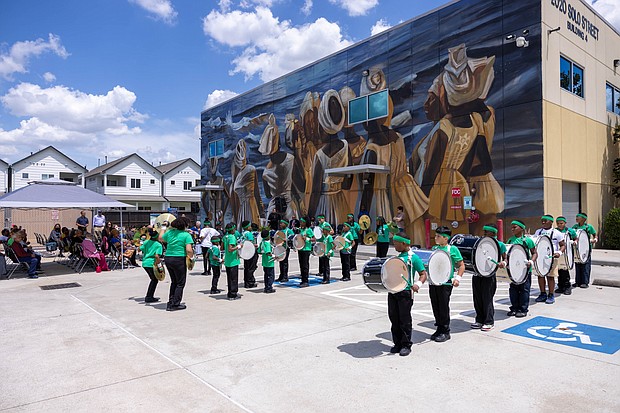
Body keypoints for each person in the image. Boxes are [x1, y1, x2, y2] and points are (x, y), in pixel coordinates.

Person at [389, 232, 428, 356]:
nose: (394, 245)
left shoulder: (413, 257)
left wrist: (418, 284)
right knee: (394, 318)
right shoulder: (397, 258)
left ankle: (406, 344)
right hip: (394, 291)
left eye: (396, 243)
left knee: (404, 320)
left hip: (405, 292)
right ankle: (397, 343)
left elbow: (423, 274)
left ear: (404, 243)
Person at [429, 227, 465, 342]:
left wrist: (457, 278)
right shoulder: (434, 248)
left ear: (446, 238)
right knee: (435, 305)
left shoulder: (452, 249)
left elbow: (461, 265)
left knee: (443, 306)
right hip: (434, 281)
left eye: (438, 236)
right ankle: (438, 328)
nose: (435, 238)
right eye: (435, 236)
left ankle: (445, 331)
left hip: (446, 282)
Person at [471, 224, 506, 331]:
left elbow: (505, 258)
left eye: (487, 232)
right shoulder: (480, 243)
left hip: (489, 275)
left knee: (487, 299)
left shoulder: (499, 244)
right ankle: (479, 320)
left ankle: (489, 321)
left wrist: (503, 263)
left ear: (494, 233)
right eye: (484, 231)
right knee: (477, 298)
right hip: (477, 274)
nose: (484, 233)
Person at [158, 217, 194, 311]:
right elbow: (189, 250)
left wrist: (163, 227)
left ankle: (170, 302)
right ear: (185, 225)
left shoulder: (170, 233)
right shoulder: (186, 235)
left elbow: (160, 238)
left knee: (174, 281)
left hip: (168, 258)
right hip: (179, 259)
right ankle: (175, 304)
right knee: (180, 283)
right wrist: (191, 257)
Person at [506, 220, 537, 318]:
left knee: (524, 289)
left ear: (521, 228)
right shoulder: (510, 240)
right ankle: (514, 308)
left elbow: (535, 253)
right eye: (511, 227)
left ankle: (523, 309)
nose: (512, 229)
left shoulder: (527, 240)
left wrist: (531, 261)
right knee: (513, 289)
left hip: (525, 269)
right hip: (513, 269)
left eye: (514, 227)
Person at [533, 214, 566, 305]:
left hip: (552, 258)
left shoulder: (557, 233)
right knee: (540, 275)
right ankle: (542, 293)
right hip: (540, 258)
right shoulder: (538, 232)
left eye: (545, 220)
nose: (543, 222)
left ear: (551, 222)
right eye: (542, 220)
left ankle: (551, 294)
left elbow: (563, 245)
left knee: (550, 276)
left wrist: (559, 252)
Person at [572, 212, 597, 289]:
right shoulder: (575, 227)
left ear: (584, 219)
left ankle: (585, 282)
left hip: (586, 249)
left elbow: (594, 234)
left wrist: (594, 239)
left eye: (578, 217)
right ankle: (578, 281)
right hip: (577, 249)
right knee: (578, 264)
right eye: (576, 217)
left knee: (585, 265)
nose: (576, 218)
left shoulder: (588, 227)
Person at [555, 216, 577, 295]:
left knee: (564, 270)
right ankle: (560, 286)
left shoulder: (570, 231)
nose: (559, 225)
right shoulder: (555, 231)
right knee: (558, 271)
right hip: (558, 252)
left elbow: (576, 238)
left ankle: (567, 287)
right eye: (558, 223)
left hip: (567, 253)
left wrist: (575, 242)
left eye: (561, 223)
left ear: (565, 223)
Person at [140, 228, 163, 303]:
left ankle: (149, 296)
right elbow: (157, 256)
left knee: (153, 279)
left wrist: (142, 241)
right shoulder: (158, 245)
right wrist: (159, 265)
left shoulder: (146, 242)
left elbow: (140, 249)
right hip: (151, 263)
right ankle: (149, 297)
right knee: (154, 280)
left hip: (145, 263)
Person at [223, 223, 241, 300]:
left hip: (227, 261)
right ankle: (233, 294)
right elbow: (230, 249)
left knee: (229, 278)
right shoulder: (232, 237)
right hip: (233, 261)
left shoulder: (225, 237)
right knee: (234, 278)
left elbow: (222, 248)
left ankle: (230, 293)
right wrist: (238, 247)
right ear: (233, 229)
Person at [297, 218, 315, 287]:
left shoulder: (309, 230)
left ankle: (305, 281)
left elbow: (314, 239)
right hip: (301, 249)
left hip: (306, 249)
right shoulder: (301, 230)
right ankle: (303, 279)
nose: (301, 223)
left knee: (305, 265)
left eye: (302, 222)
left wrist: (307, 238)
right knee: (301, 265)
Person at [241, 221, 258, 288]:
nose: (251, 227)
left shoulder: (242, 233)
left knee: (246, 267)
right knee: (251, 267)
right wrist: (255, 245)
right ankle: (250, 282)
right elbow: (250, 244)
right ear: (247, 227)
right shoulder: (249, 234)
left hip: (245, 253)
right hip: (251, 252)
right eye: (250, 226)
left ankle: (246, 282)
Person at [258, 229, 276, 293]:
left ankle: (266, 287)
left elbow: (259, 251)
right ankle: (269, 288)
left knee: (266, 275)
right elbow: (268, 252)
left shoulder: (262, 242)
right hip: (269, 262)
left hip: (264, 262)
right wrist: (273, 256)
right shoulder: (267, 243)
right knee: (271, 276)